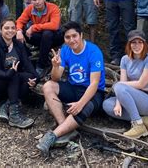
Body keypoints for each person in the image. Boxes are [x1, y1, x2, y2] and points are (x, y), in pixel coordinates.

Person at [36, 21, 105, 157]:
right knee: (48, 86)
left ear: (81, 35)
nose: (72, 40)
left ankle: (53, 136)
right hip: (73, 87)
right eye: (68, 37)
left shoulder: (93, 51)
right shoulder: (66, 50)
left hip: (93, 92)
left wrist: (80, 104)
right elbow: (55, 78)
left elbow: (94, 83)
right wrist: (55, 66)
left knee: (85, 106)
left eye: (74, 36)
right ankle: (66, 129)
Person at [103, 30, 148, 138]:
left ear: (144, 44)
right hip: (129, 97)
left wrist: (118, 86)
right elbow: (123, 82)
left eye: (140, 42)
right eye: (133, 42)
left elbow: (141, 84)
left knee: (119, 86)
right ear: (129, 44)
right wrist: (118, 102)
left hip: (147, 100)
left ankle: (138, 125)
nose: (136, 45)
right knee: (107, 105)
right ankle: (144, 119)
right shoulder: (124, 59)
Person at [0, 18, 38, 129]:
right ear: (0, 30)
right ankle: (14, 116)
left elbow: (27, 64)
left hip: (13, 81)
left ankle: (6, 106)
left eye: (12, 28)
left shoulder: (18, 45)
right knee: (14, 74)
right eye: (6, 28)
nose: (10, 30)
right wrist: (10, 72)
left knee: (28, 77)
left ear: (16, 30)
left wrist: (35, 79)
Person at [15, 0, 64, 76]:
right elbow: (20, 21)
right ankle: (27, 56)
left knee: (47, 33)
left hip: (54, 37)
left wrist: (34, 27)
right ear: (31, 0)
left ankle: (41, 65)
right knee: (17, 33)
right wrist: (18, 31)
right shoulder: (30, 8)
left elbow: (54, 25)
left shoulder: (53, 8)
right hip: (40, 37)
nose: (37, 2)